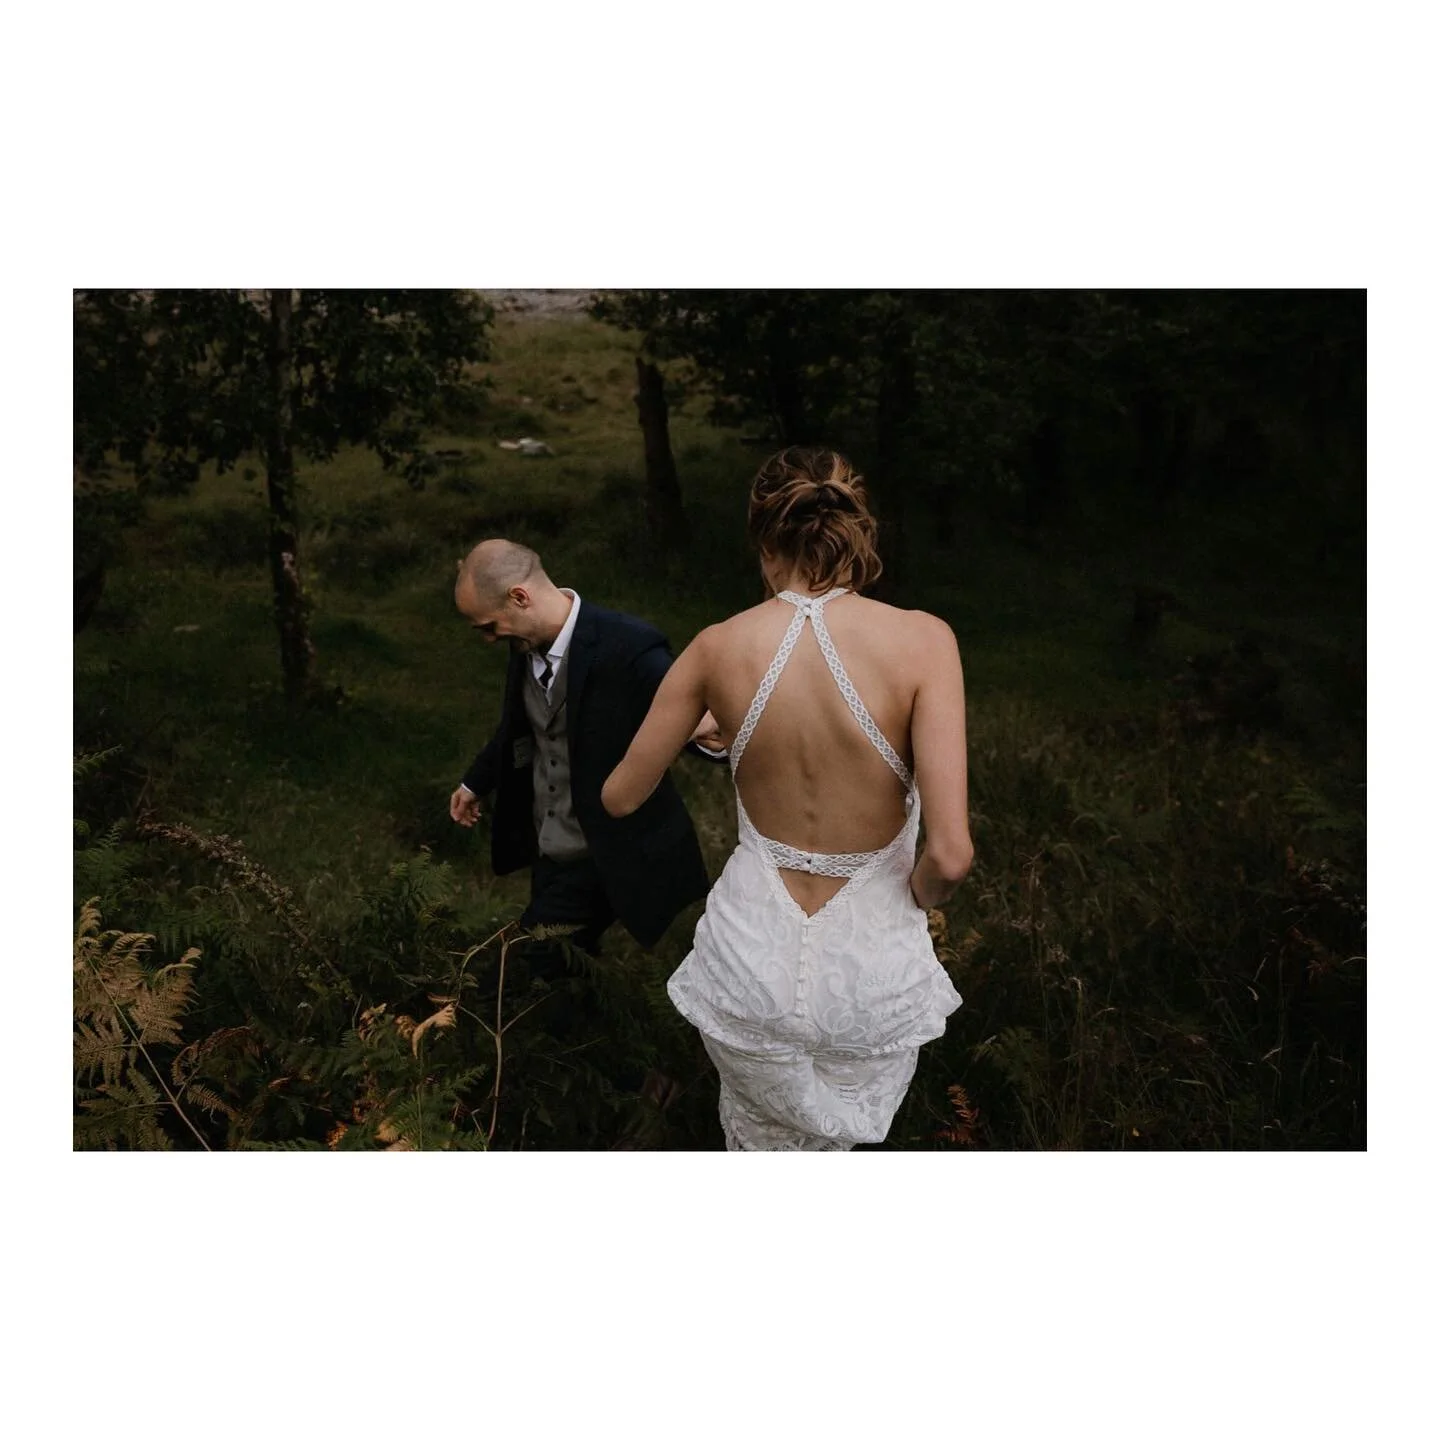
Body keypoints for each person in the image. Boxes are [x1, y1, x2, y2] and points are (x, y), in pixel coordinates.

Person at [602, 447, 973, 1150]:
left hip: (750, 960)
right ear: (857, 526)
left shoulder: (717, 648)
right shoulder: (924, 641)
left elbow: (621, 796)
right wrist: (909, 901)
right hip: (869, 965)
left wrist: (715, 726)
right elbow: (951, 856)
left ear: (764, 540)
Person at [450, 539, 724, 981]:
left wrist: (713, 737)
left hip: (606, 848)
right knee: (566, 968)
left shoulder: (629, 646)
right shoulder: (525, 644)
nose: (488, 638)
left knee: (525, 966)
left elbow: (690, 717)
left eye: (488, 626)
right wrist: (476, 782)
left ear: (519, 598)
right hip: (551, 843)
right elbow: (521, 724)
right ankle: (577, 1030)